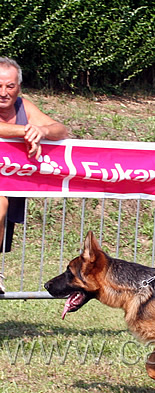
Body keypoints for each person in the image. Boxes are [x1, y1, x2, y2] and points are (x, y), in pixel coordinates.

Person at [0, 57, 69, 293]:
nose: (3, 92)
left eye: (9, 86)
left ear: (18, 86)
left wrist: (41, 130)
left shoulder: (23, 106)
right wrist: (25, 131)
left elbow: (61, 130)